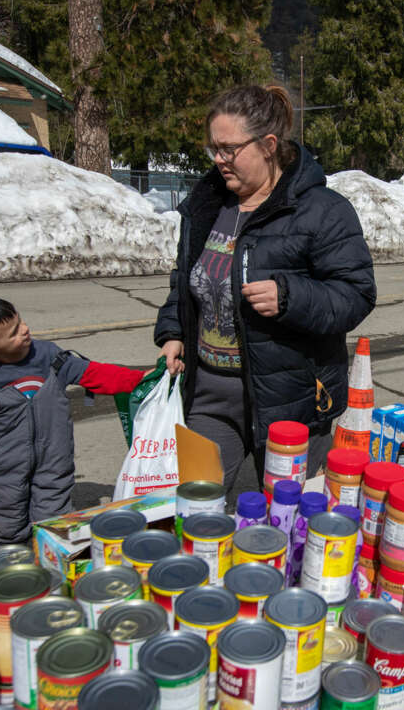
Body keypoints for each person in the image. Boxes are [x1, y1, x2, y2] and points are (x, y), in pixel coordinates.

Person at [154, 85, 376, 492]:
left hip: (287, 401)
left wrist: (290, 296)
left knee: (281, 521)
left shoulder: (322, 210)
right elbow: (186, 277)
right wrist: (173, 331)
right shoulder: (208, 206)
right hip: (208, 397)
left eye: (229, 149)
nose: (219, 160)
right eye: (213, 149)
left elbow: (356, 293)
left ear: (268, 145)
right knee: (193, 510)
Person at [0, 295, 146, 547]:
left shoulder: (48, 357)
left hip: (54, 459)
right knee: (6, 519)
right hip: (4, 465)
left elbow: (94, 373)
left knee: (54, 518)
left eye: (20, 321)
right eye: (14, 332)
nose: (24, 330)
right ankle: (7, 561)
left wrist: (141, 378)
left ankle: (53, 560)